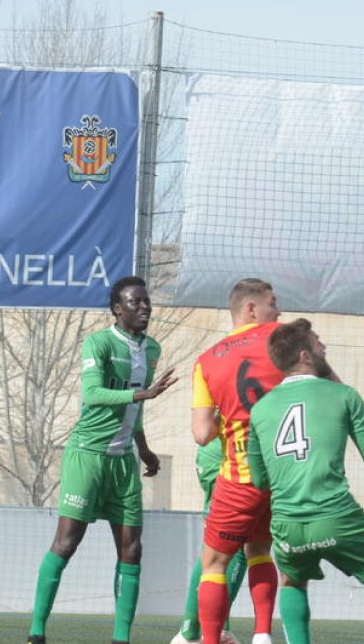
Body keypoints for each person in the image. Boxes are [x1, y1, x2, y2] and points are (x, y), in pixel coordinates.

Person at [245, 319, 364, 644]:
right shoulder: (344, 395)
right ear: (305, 355)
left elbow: (260, 479)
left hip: (288, 524)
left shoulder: (260, 409)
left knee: (292, 583)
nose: (324, 347)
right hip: (337, 516)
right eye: (319, 342)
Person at [27, 276, 178, 644]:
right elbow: (94, 394)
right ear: (117, 308)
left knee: (132, 548)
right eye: (135, 301)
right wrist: (143, 394)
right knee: (67, 541)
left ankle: (120, 639)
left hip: (123, 461)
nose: (144, 307)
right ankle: (35, 634)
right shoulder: (98, 342)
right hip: (87, 456)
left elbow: (134, 408)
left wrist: (142, 448)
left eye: (146, 301)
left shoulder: (152, 349)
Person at [192, 278, 303, 644]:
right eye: (273, 302)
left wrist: (229, 416)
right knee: (261, 552)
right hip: (283, 475)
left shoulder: (206, 360)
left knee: (214, 564)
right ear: (252, 308)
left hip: (238, 478)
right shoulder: (283, 341)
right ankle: (261, 636)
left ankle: (207, 640)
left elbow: (202, 433)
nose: (279, 310)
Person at [171, 437, 248, 644]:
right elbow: (202, 430)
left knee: (225, 547)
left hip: (231, 450)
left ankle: (197, 631)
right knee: (231, 544)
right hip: (227, 453)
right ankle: (200, 631)